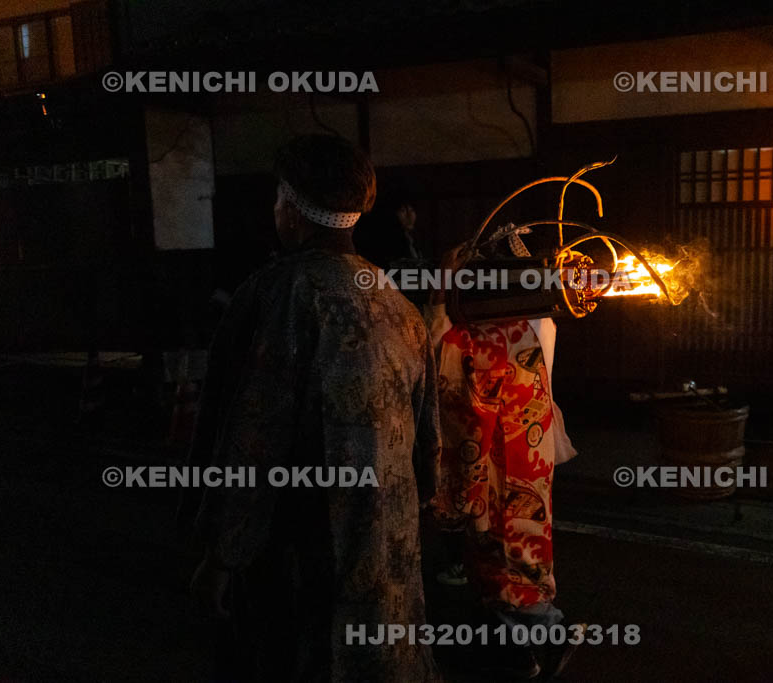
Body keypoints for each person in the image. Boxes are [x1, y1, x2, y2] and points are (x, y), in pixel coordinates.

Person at [182, 134, 442, 682]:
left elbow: (252, 433)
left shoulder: (278, 295)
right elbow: (427, 444)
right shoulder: (397, 304)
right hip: (388, 550)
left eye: (279, 195)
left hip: (301, 551)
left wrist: (221, 556)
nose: (274, 207)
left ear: (295, 212)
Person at [424, 237, 579, 680]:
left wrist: (439, 300)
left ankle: (537, 643)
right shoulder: (538, 322)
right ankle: (532, 644)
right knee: (525, 546)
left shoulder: (484, 335)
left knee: (502, 550)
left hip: (496, 461)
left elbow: (442, 367)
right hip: (530, 453)